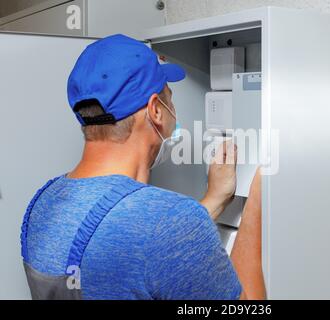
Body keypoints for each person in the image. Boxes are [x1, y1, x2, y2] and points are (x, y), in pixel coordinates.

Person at [20, 34, 265, 300]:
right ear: (155, 111)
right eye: (169, 98)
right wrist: (257, 199)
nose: (173, 108)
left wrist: (216, 198)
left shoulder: (43, 203)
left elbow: (149, 252)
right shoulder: (169, 222)